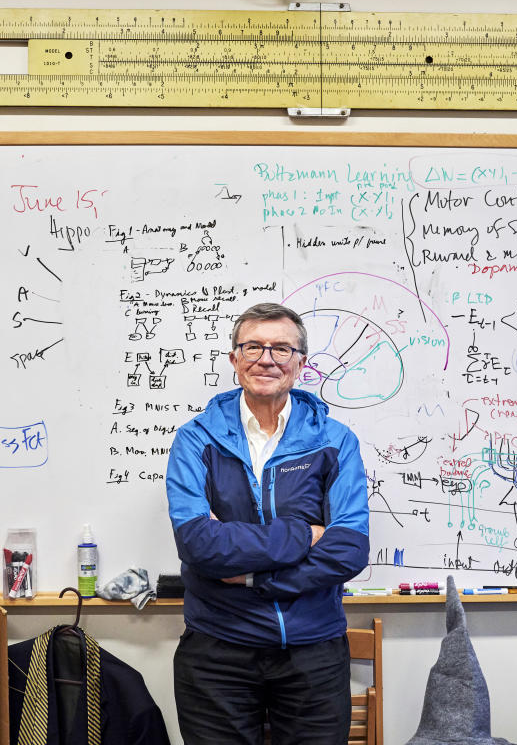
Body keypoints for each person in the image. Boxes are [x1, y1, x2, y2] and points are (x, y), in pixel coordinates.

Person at [166, 302, 370, 744]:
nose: (267, 358)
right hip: (216, 651)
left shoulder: (335, 441)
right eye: (253, 346)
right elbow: (200, 545)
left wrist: (253, 577)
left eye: (281, 348)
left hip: (312, 650)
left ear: (301, 363)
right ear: (234, 359)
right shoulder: (195, 439)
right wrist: (303, 534)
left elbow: (349, 549)